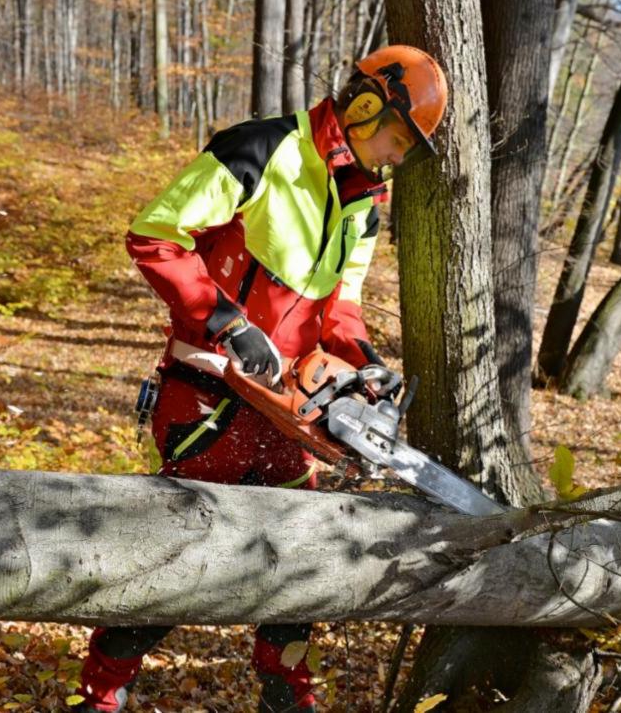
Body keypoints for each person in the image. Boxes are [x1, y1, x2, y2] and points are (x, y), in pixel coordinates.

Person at [74, 45, 449, 713]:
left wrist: (364, 363)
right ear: (366, 107)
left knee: (299, 548)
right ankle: (103, 691)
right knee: (180, 552)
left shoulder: (361, 204)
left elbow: (342, 306)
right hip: (210, 394)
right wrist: (225, 319)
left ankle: (285, 688)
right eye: (398, 139)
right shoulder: (260, 149)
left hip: (285, 407)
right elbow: (155, 234)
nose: (396, 156)